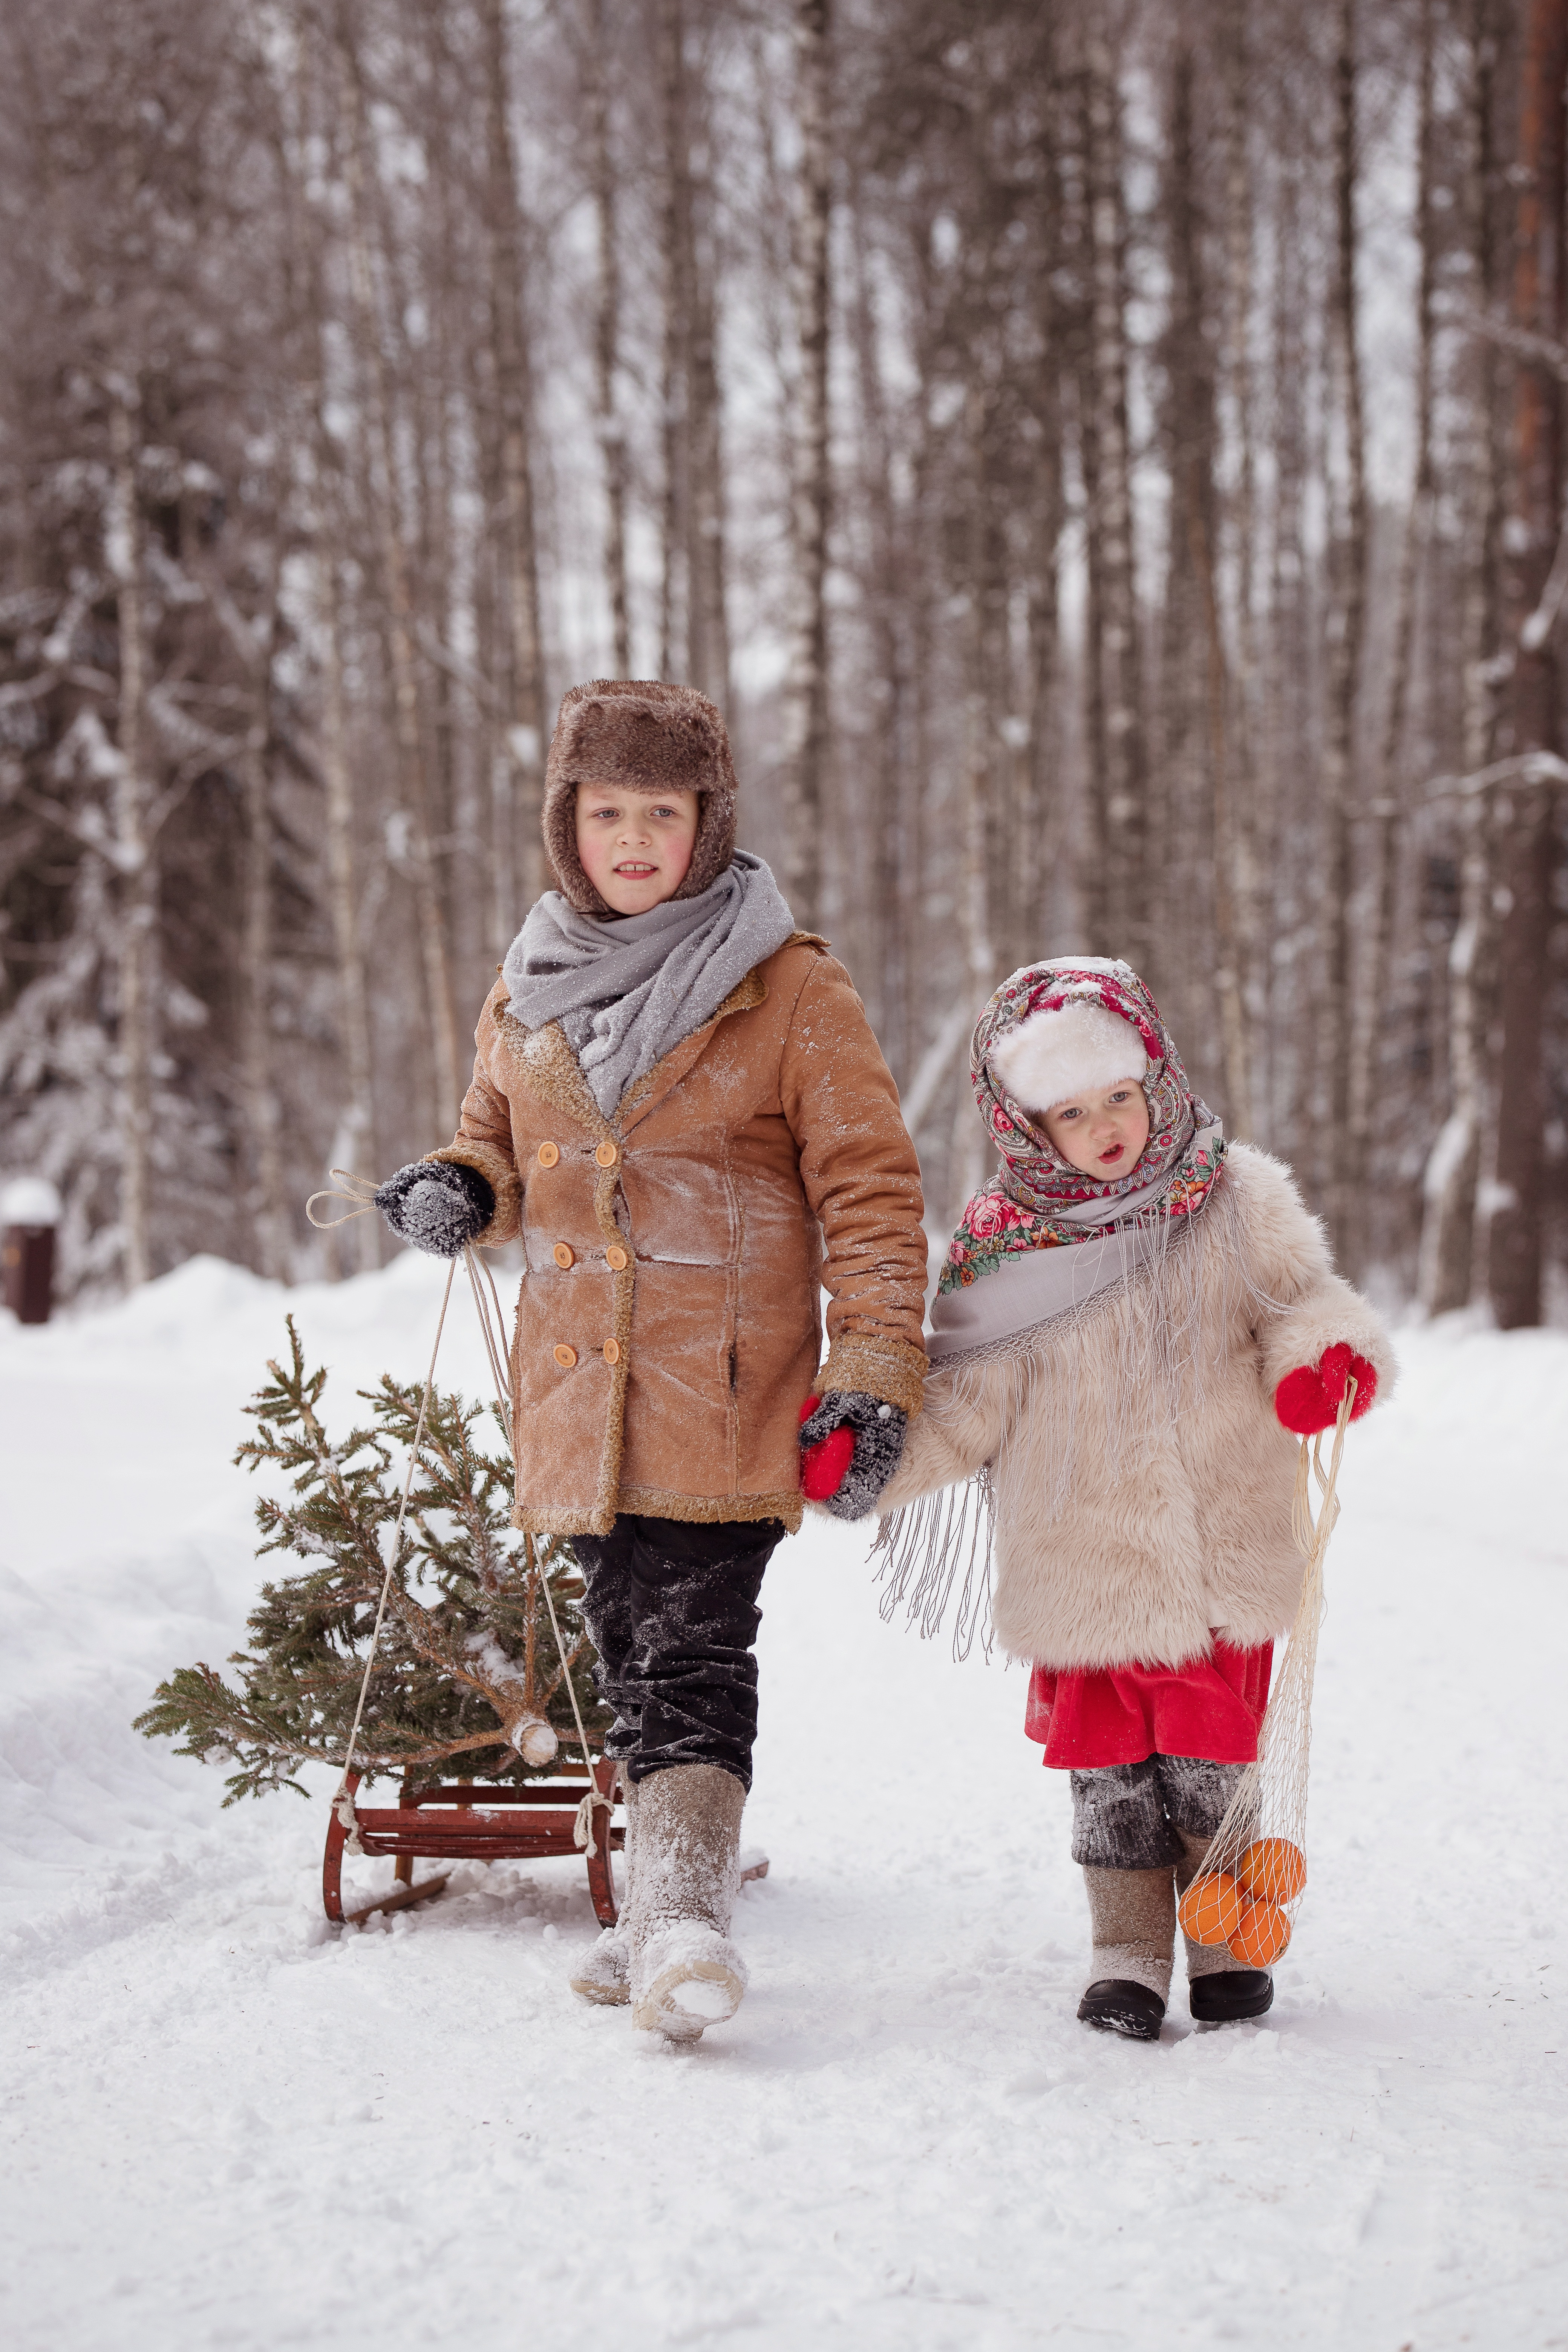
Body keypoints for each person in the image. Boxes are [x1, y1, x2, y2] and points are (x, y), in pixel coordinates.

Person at [374, 678, 927, 2040]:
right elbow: (496, 1140)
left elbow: (869, 1188)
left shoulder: (789, 983)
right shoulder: (529, 982)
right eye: (607, 811)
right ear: (569, 825)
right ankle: (656, 1905)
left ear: (708, 821)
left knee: (691, 1649)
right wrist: (462, 1185)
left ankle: (681, 1915)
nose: (634, 839)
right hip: (579, 1392)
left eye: (662, 813)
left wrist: (873, 1367)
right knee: (626, 1640)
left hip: (725, 1384)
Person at [822, 956, 1395, 2042]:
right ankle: (1126, 1955)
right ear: (1029, 1125)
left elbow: (1305, 1306)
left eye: (1121, 1097)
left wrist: (1325, 1364)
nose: (1107, 1128)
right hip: (1081, 1559)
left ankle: (1228, 1947)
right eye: (1073, 1113)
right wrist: (873, 1463)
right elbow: (966, 1405)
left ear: (1158, 1077)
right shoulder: (1001, 1249)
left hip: (1220, 1546)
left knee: (1211, 1765)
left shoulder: (1235, 1201)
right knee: (1115, 1786)